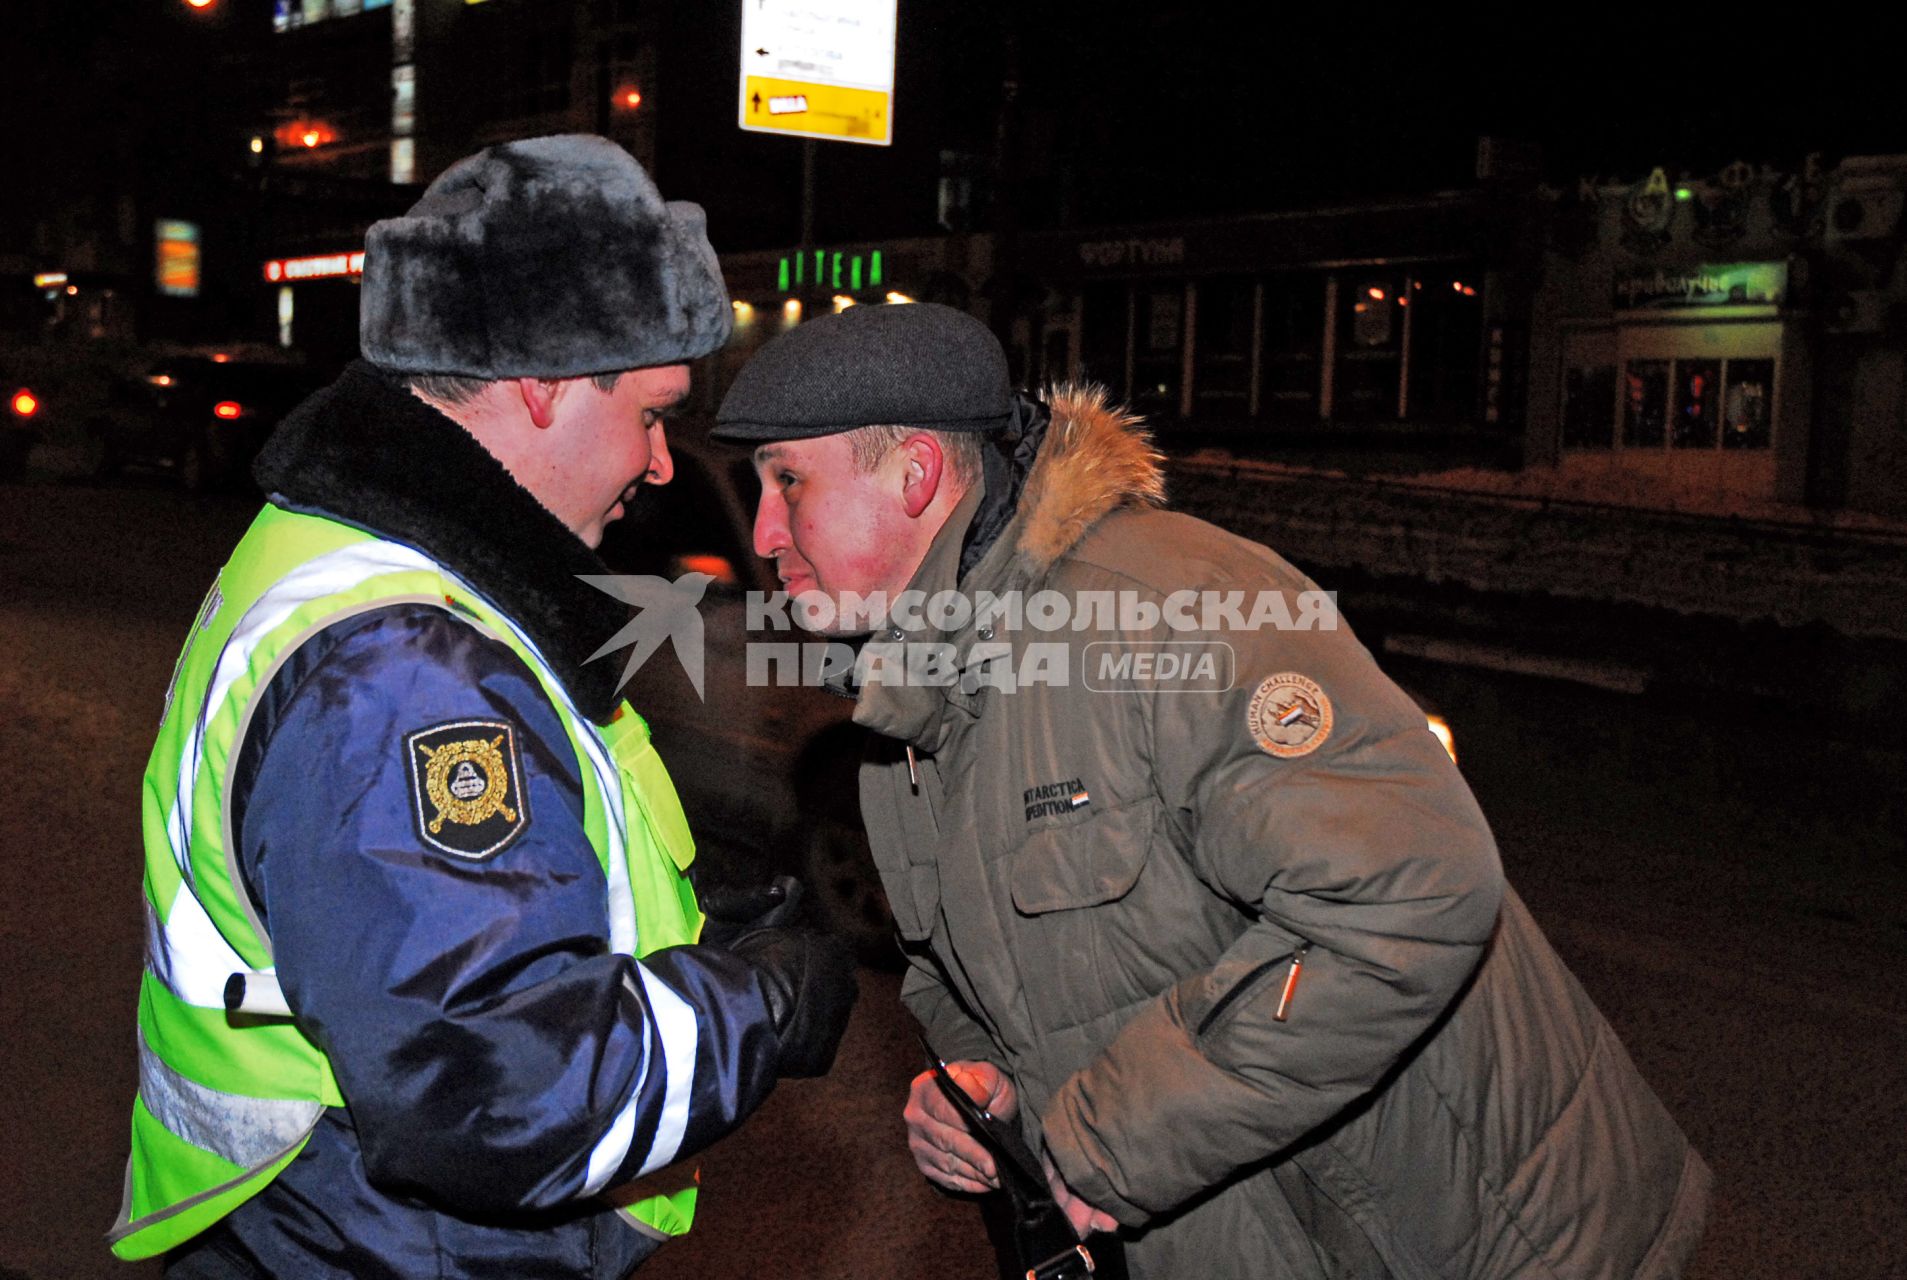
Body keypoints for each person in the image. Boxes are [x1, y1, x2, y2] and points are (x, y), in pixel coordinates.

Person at [711, 302, 1711, 1279]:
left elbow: (1405, 896)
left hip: (1470, 1239)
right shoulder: (908, 703)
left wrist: (1112, 1132)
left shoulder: (1163, 613)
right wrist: (986, 1090)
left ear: (915, 473)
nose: (761, 530)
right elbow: (950, 970)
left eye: (786, 480)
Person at [111, 134, 857, 1279]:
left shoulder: (372, 563)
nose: (662, 463)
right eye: (652, 413)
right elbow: (495, 1095)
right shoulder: (410, 667)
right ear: (547, 383)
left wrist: (664, 910)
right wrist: (760, 999)